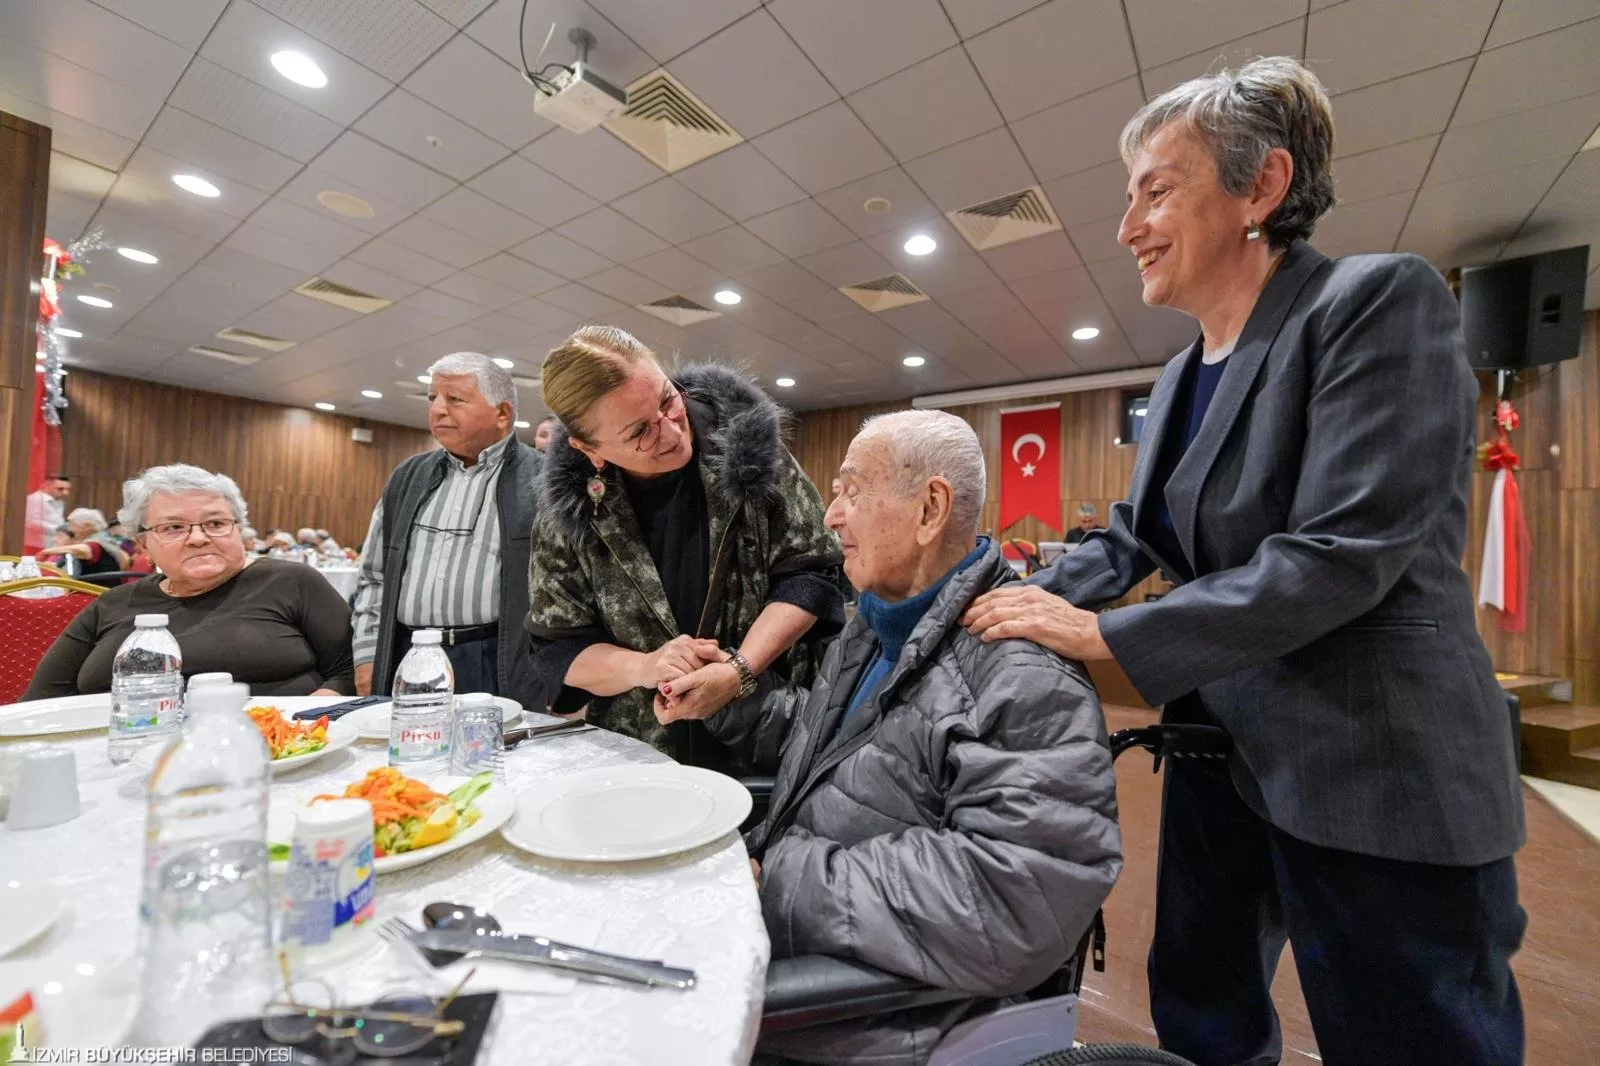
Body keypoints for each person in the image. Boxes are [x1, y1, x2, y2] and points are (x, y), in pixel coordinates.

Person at [963, 56, 1525, 1066]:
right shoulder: (1183, 370)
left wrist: (1101, 632)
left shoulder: (1373, 300)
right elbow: (1134, 537)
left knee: (1407, 1036)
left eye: (1155, 191)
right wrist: (992, 605)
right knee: (1202, 1016)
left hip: (1375, 767)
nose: (1127, 226)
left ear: (1260, 186)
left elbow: (1341, 553)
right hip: (1223, 758)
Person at [660, 411, 1121, 1063]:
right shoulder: (875, 622)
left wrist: (776, 878)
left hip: (870, 1013)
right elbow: (844, 753)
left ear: (930, 509)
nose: (831, 516)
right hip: (801, 934)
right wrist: (733, 699)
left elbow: (1013, 899)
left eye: (851, 491)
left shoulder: (1021, 675)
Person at [528, 326, 844, 774]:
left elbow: (810, 574)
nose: (671, 430)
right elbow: (558, 645)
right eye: (640, 432)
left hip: (765, 730)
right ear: (590, 450)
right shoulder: (568, 509)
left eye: (666, 400)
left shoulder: (749, 451)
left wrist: (739, 671)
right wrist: (646, 666)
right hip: (642, 751)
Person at [24, 464, 353, 699]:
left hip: (274, 749)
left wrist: (309, 716)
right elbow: (42, 700)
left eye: (216, 523)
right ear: (142, 544)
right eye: (173, 528)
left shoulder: (291, 582)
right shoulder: (112, 604)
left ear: (237, 529)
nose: (198, 538)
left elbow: (350, 671)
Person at [351, 352, 543, 708]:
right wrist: (366, 657)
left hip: (498, 661)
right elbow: (374, 578)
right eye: (432, 398)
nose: (437, 409)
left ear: (503, 413)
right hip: (407, 656)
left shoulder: (543, 480)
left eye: (454, 399)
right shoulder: (407, 478)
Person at [39, 508, 129, 576]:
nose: (69, 529)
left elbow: (85, 550)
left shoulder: (98, 540)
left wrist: (47, 551)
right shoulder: (99, 538)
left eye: (72, 524)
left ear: (88, 526)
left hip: (95, 589)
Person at [23, 474, 70, 553]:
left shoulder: (59, 501)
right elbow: (31, 523)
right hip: (35, 545)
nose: (66, 493)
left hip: (51, 545)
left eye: (68, 489)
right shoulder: (35, 499)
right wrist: (59, 529)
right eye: (60, 489)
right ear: (46, 485)